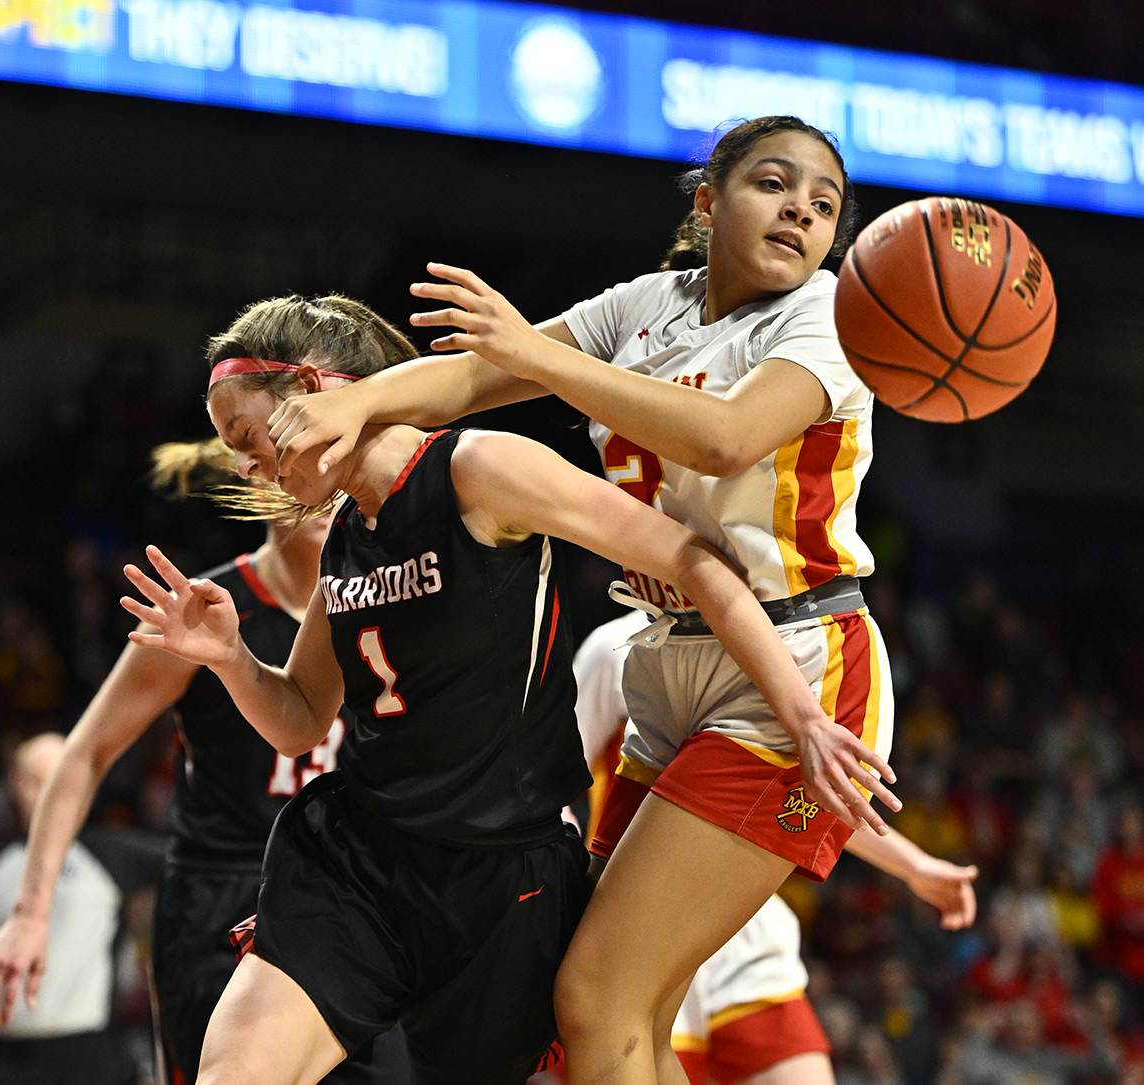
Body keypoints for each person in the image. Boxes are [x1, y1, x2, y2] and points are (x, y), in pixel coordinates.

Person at [119, 282, 898, 1085]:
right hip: (359, 863)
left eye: (246, 436)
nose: (246, 468)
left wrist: (802, 711)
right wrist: (228, 656)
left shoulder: (477, 467)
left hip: (499, 879)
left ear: (315, 390)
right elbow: (298, 721)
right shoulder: (346, 537)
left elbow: (692, 561)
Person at [265, 115, 897, 1083]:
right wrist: (359, 401)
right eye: (773, 184)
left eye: (823, 205)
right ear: (704, 202)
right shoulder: (650, 305)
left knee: (595, 997)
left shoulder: (825, 315)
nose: (801, 212)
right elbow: (474, 375)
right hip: (670, 653)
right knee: (620, 1009)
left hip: (795, 654)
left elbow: (724, 439)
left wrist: (540, 357)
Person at [0, 435, 412, 1085]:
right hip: (225, 893)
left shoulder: (403, 600)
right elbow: (88, 750)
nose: (329, 490)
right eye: (307, 468)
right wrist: (31, 910)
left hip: (358, 891)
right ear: (263, 486)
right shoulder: (203, 609)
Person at [571, 613, 978, 1085]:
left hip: (740, 912)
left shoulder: (784, 640)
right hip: (642, 915)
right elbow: (554, 777)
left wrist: (913, 866)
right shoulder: (616, 646)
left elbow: (792, 797)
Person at [0, 733, 135, 1085]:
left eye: (58, 782)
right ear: (14, 783)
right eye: (35, 782)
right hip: (5, 1052)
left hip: (86, 1051)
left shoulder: (110, 853)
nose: (47, 797)